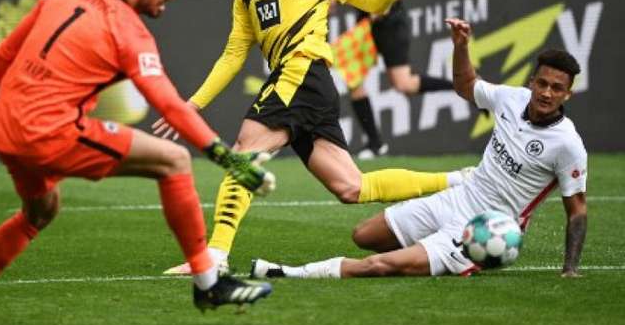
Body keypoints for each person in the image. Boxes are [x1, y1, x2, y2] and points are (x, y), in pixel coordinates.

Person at [0, 0, 276, 325]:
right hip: (48, 130)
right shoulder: (129, 32)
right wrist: (225, 156)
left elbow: (1, 55)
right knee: (174, 160)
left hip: (7, 128)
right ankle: (209, 283)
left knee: (39, 212)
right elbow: (170, 105)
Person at [155, 0, 460, 276]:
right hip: (304, 85)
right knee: (352, 187)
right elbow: (234, 54)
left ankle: (214, 255)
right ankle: (459, 180)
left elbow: (374, 0)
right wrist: (194, 104)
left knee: (243, 154)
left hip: (301, 73)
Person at [250, 18, 588, 279]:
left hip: (484, 229)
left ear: (567, 95)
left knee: (377, 266)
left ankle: (290, 272)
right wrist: (461, 45)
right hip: (458, 198)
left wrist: (570, 268)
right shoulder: (510, 98)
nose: (546, 93)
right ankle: (430, 252)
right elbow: (465, 85)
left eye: (557, 89)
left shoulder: (567, 144)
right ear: (532, 82)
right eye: (542, 83)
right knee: (364, 235)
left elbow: (577, 211)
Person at [342, 0, 454, 160]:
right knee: (354, 81)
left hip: (392, 23)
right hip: (364, 25)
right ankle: (376, 143)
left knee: (402, 84)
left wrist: (386, 2)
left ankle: (463, 86)